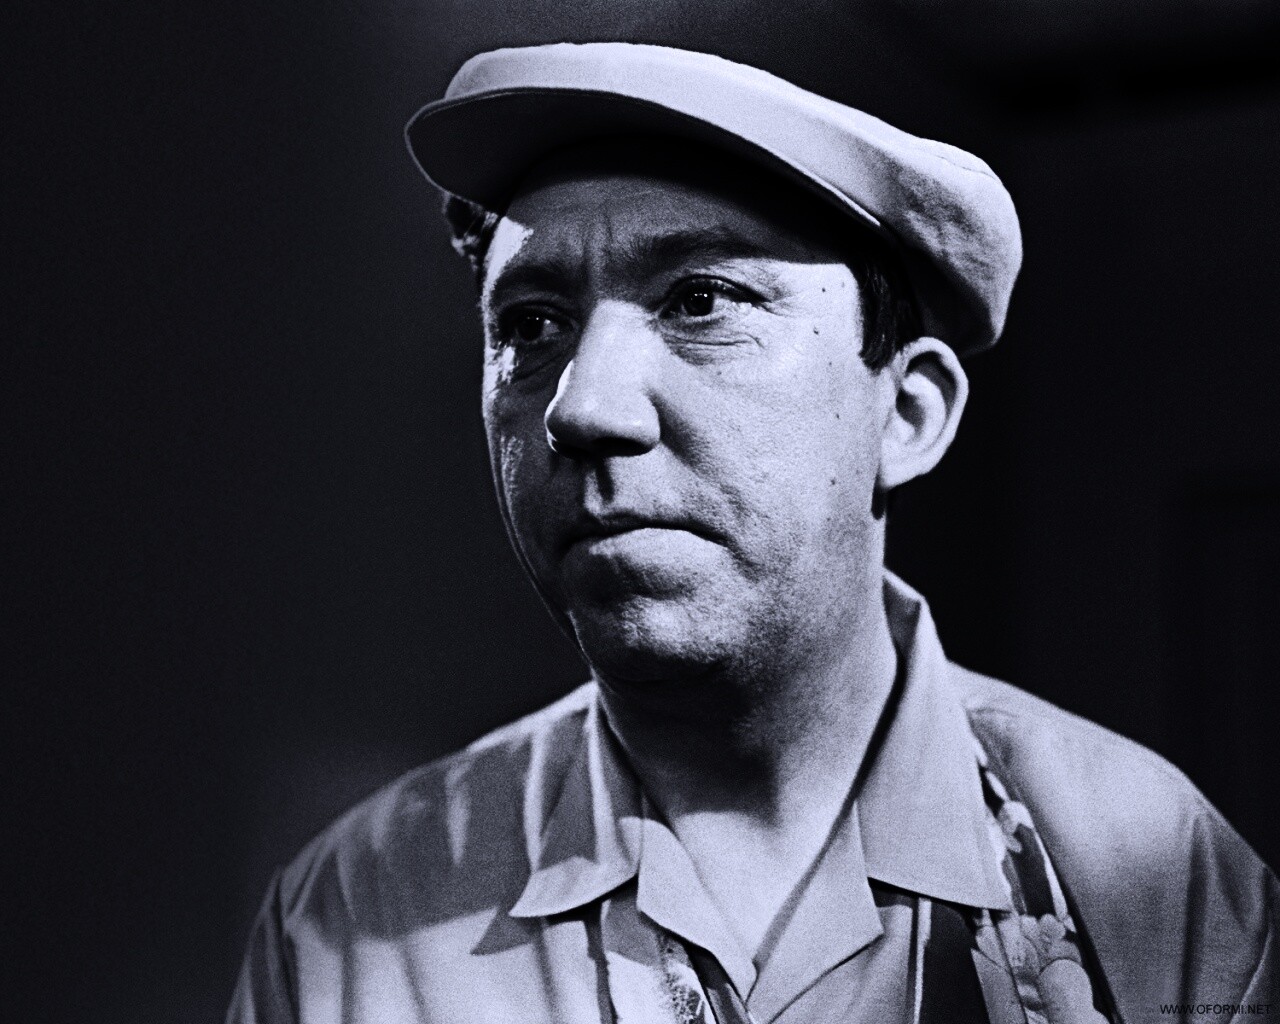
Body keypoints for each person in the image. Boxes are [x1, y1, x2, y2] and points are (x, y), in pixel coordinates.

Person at [228, 42, 1277, 1024]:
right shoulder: (353, 917)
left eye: (700, 300)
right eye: (531, 325)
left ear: (906, 415)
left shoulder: (1155, 877)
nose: (582, 407)